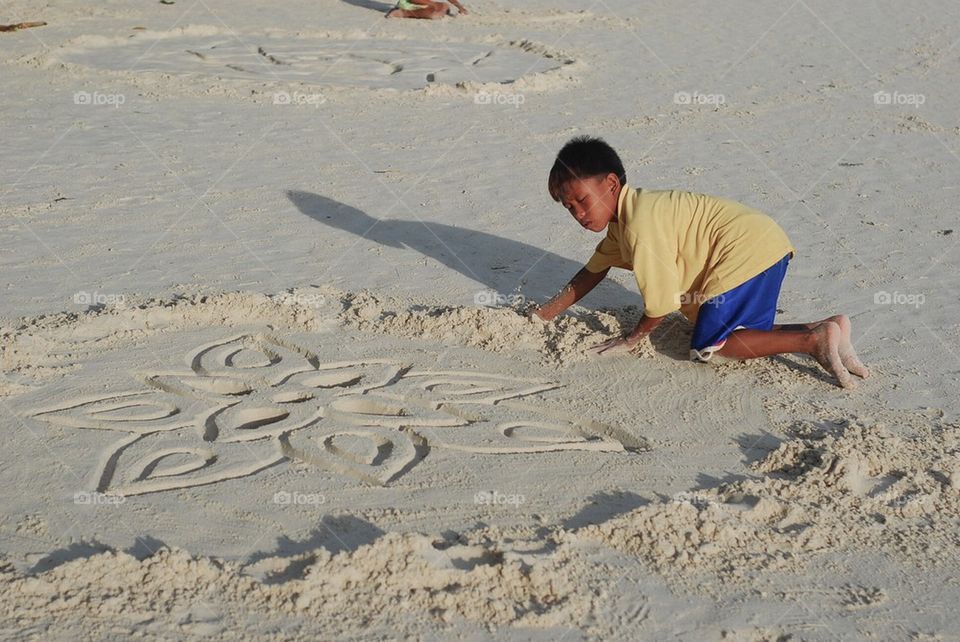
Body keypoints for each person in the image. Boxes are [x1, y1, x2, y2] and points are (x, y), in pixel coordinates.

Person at [531, 136, 869, 389]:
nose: (578, 213)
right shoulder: (627, 220)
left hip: (745, 249)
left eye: (582, 201)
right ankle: (827, 327)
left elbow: (661, 303)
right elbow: (592, 272)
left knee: (710, 346)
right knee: (743, 334)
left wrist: (630, 340)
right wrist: (543, 315)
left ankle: (812, 341)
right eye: (568, 207)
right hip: (761, 243)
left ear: (611, 184)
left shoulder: (639, 225)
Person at [386, 0, 468, 19]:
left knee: (444, 5)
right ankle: (404, 13)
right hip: (408, 4)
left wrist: (460, 7)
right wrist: (432, 4)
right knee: (434, 14)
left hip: (424, 3)